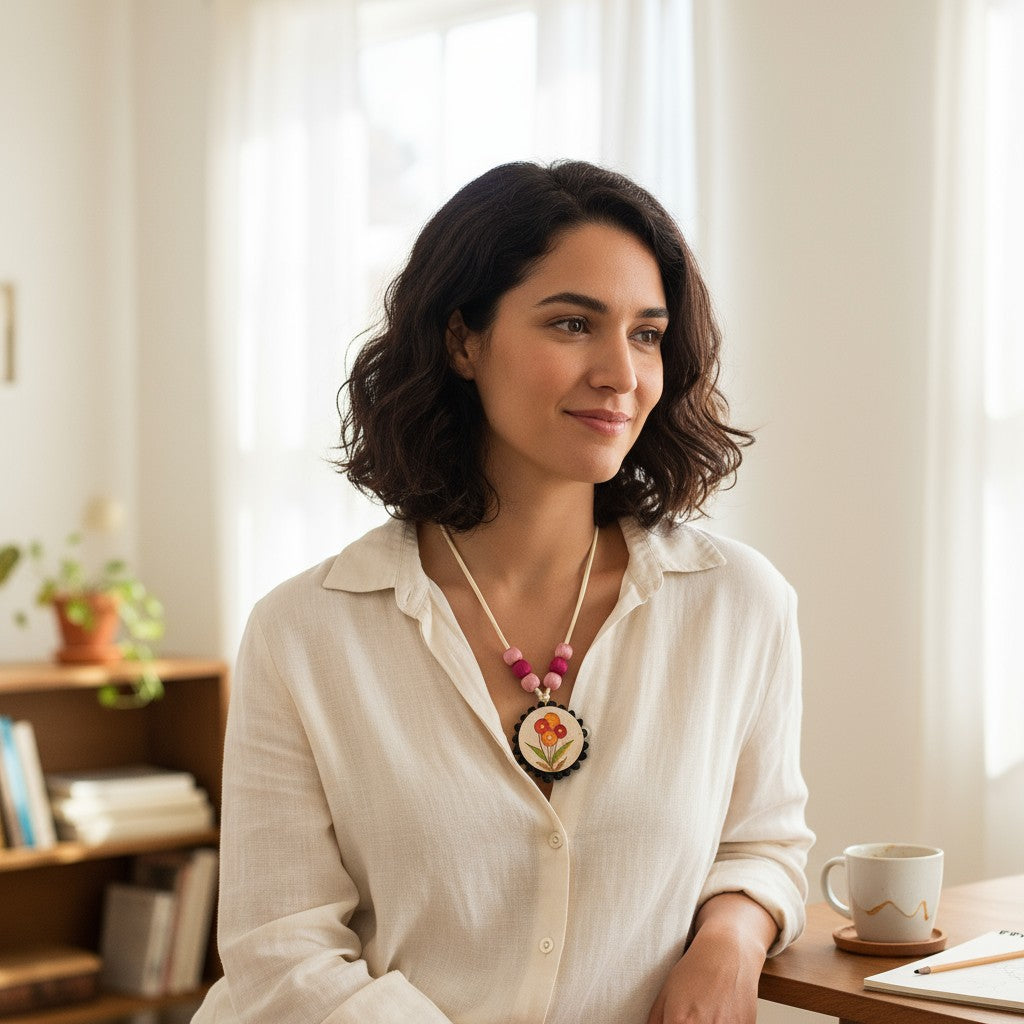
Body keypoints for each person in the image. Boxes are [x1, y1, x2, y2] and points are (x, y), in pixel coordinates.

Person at [191, 160, 813, 1024]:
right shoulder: (305, 632)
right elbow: (280, 951)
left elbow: (763, 841)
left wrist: (732, 938)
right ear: (462, 340)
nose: (620, 374)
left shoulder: (737, 604)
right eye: (571, 324)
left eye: (645, 334)